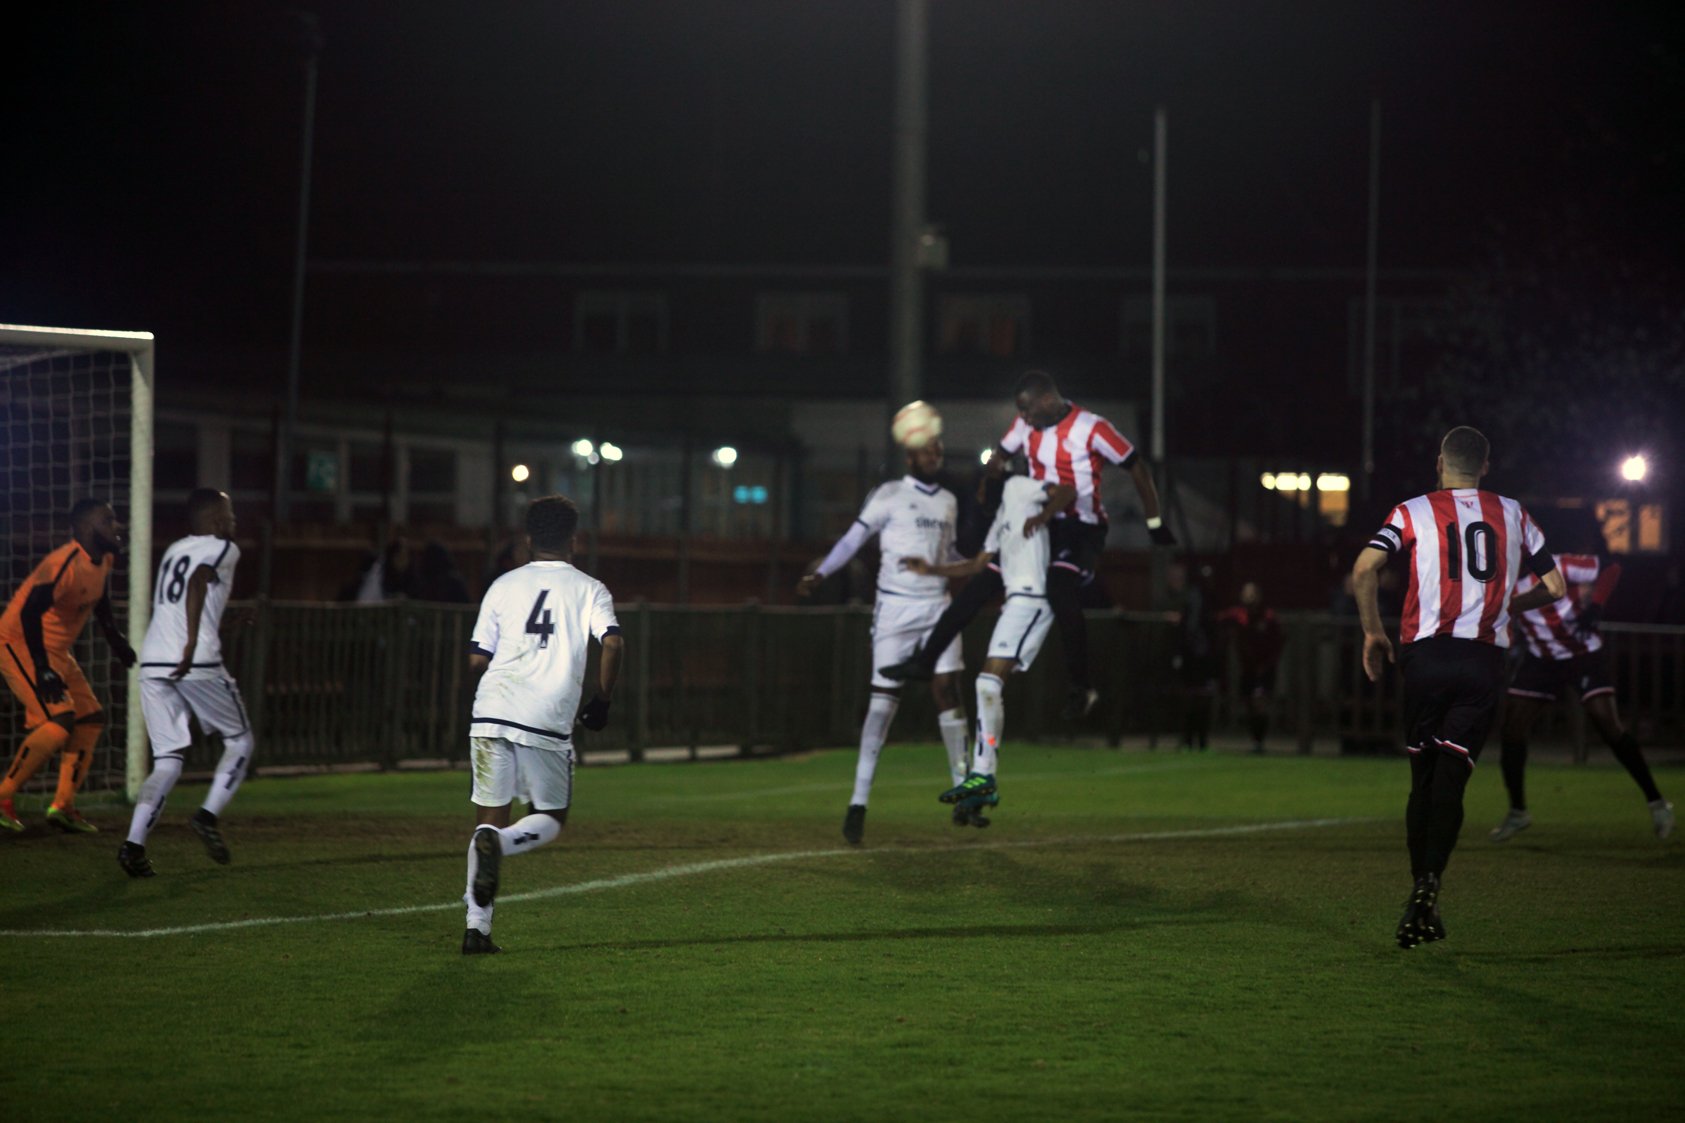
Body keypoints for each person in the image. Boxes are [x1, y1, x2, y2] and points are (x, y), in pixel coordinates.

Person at [1352, 426, 1565, 949]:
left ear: (1439, 463)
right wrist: (1511, 605)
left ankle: (1421, 892)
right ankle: (1429, 887)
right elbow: (1555, 586)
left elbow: (1364, 569)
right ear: (1485, 466)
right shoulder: (1514, 513)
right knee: (1453, 775)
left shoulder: (1411, 511)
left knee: (1422, 780)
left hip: (1425, 659)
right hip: (1481, 661)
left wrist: (1373, 632)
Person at [881, 370, 1175, 720]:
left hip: (1080, 527)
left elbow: (1137, 467)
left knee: (1060, 587)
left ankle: (1082, 687)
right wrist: (990, 479)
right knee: (979, 586)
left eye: (1027, 410)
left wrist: (1154, 522)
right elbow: (1000, 456)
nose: (1022, 417)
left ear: (1047, 401)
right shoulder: (1025, 427)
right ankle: (924, 662)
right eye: (1020, 411)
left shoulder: (1092, 428)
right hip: (1036, 522)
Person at [461, 495, 622, 955]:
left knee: (487, 819)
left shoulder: (503, 585)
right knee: (550, 818)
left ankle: (476, 927)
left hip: (492, 710)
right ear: (575, 540)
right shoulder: (590, 588)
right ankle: (502, 845)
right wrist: (602, 699)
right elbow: (613, 644)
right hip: (545, 717)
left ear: (528, 540)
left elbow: (477, 658)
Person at [798, 431, 974, 842]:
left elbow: (948, 555)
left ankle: (965, 791)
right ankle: (858, 803)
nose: (935, 456)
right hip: (895, 609)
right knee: (882, 704)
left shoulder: (948, 500)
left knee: (948, 691)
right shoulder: (889, 494)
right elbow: (853, 539)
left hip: (937, 607)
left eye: (938, 450)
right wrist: (822, 572)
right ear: (910, 457)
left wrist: (977, 563)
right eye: (927, 451)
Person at [903, 474, 1077, 823]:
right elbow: (977, 565)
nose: (980, 490)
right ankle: (983, 781)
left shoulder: (1017, 487)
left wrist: (1042, 516)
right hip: (1016, 603)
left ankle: (983, 775)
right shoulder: (1000, 519)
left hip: (1032, 599)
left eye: (984, 483)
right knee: (987, 685)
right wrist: (931, 569)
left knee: (987, 684)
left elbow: (1067, 491)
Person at [1491, 552, 1673, 842]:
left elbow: (1611, 568)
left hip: (1583, 654)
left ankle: (1657, 803)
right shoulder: (1501, 584)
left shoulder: (1561, 564)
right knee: (1512, 728)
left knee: (1608, 724)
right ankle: (1518, 812)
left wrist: (1596, 605)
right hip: (1541, 659)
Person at [119, 489, 253, 876]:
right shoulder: (225, 548)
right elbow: (197, 582)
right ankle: (207, 817)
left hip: (154, 661)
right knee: (240, 741)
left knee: (167, 761)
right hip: (193, 661)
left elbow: (182, 605)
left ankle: (133, 846)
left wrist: (224, 623)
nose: (234, 521)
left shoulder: (176, 549)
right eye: (230, 514)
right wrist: (192, 643)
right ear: (216, 520)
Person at [0, 499, 135, 833]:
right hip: (18, 643)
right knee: (59, 721)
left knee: (90, 719)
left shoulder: (103, 559)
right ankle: (2, 796)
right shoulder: (62, 564)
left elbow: (100, 601)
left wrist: (116, 639)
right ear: (88, 528)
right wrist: (42, 667)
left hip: (55, 651)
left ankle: (62, 805)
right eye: (109, 520)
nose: (117, 526)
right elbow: (30, 613)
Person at [1217, 582, 1284, 754]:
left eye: (1252, 594)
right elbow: (1220, 618)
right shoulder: (1239, 615)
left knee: (1260, 702)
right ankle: (1255, 739)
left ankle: (1259, 741)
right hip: (1247, 668)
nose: (1249, 597)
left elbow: (1278, 642)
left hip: (1264, 668)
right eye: (1246, 594)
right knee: (1249, 704)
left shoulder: (1268, 617)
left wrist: (1268, 664)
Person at [1157, 560, 1216, 751]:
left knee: (1200, 696)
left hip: (1198, 654)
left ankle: (1200, 740)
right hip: (1185, 653)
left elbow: (1196, 626)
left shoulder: (1198, 597)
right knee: (1187, 696)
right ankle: (1189, 738)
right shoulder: (1175, 598)